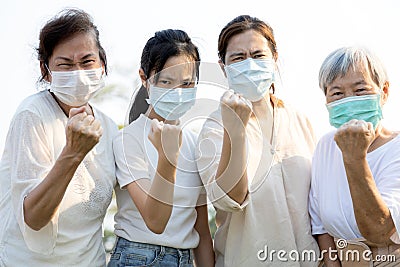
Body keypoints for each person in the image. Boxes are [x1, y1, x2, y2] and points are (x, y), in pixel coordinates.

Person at [196, 15, 320, 266]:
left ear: (274, 59)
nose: (249, 64)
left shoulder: (299, 119)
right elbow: (231, 199)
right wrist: (236, 130)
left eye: (258, 55)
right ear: (223, 67)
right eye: (238, 58)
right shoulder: (214, 129)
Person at [0, 8, 118, 266]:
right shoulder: (32, 114)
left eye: (87, 61)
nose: (77, 72)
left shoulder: (109, 128)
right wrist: (73, 153)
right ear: (46, 70)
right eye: (65, 65)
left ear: (102, 64)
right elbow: (34, 216)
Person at [109, 29, 214, 267]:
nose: (177, 93)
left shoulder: (194, 143)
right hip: (137, 257)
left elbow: (201, 229)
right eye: (166, 82)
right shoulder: (128, 140)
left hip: (184, 258)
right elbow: (155, 221)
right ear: (145, 79)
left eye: (187, 84)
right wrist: (168, 158)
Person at [309, 46, 400, 266]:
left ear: (383, 92)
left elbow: (380, 230)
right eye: (337, 93)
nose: (349, 100)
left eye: (360, 90)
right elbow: (320, 225)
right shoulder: (325, 146)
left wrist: (355, 157)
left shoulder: (396, 148)